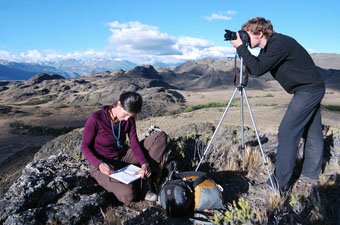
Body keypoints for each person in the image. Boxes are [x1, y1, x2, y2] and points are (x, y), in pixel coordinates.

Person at [229, 17, 325, 192]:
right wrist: (241, 50)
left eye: (247, 34)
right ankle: (311, 174)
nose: (244, 38)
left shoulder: (279, 43)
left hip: (309, 90)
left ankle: (279, 184)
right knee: (312, 131)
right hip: (308, 89)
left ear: (259, 33)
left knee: (287, 132)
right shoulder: (268, 48)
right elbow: (256, 66)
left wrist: (241, 47)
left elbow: (257, 69)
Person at [81, 91, 168, 204]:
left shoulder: (129, 120)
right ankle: (135, 185)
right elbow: (84, 147)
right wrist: (99, 164)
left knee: (160, 137)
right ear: (118, 104)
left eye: (131, 116)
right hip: (103, 165)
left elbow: (134, 143)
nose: (127, 119)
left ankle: (147, 181)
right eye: (126, 114)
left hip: (122, 157)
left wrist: (144, 163)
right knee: (128, 195)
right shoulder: (97, 118)